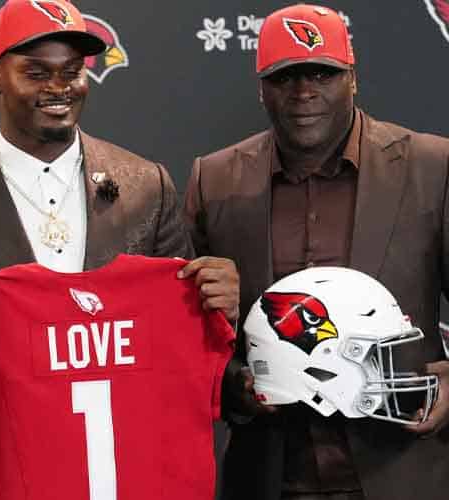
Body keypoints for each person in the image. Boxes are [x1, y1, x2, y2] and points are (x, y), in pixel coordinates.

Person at [0, 0, 239, 397]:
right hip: (4, 434)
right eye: (36, 73)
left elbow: (180, 343)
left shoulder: (145, 185)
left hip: (126, 430)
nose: (58, 87)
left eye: (72, 71)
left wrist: (218, 313)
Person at [182, 4, 449, 500]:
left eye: (322, 74)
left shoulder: (432, 166)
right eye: (285, 77)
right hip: (269, 473)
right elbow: (183, 334)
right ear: (261, 88)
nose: (303, 92)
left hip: (403, 468)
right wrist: (236, 382)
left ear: (353, 79)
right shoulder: (214, 180)